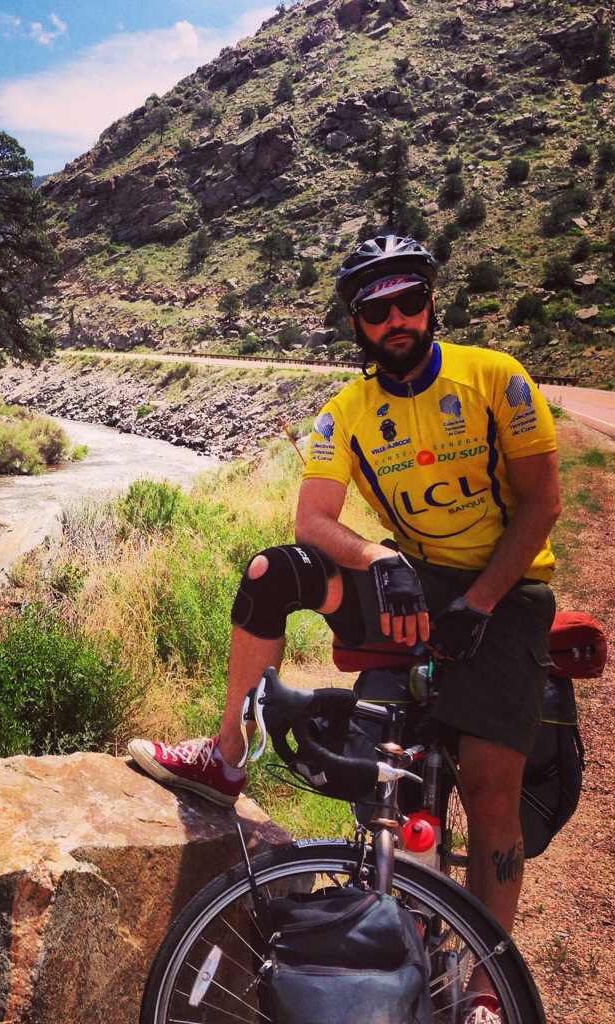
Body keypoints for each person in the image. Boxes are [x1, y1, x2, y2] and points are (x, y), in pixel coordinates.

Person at [129, 234, 561, 1024]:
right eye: (376, 309)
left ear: (431, 303)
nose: (397, 319)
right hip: (413, 578)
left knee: (489, 791)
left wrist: (480, 603)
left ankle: (483, 990)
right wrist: (380, 558)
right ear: (356, 323)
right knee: (272, 572)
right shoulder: (348, 412)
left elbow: (542, 505)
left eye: (410, 300)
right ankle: (227, 756)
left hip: (508, 590)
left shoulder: (496, 377)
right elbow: (313, 520)